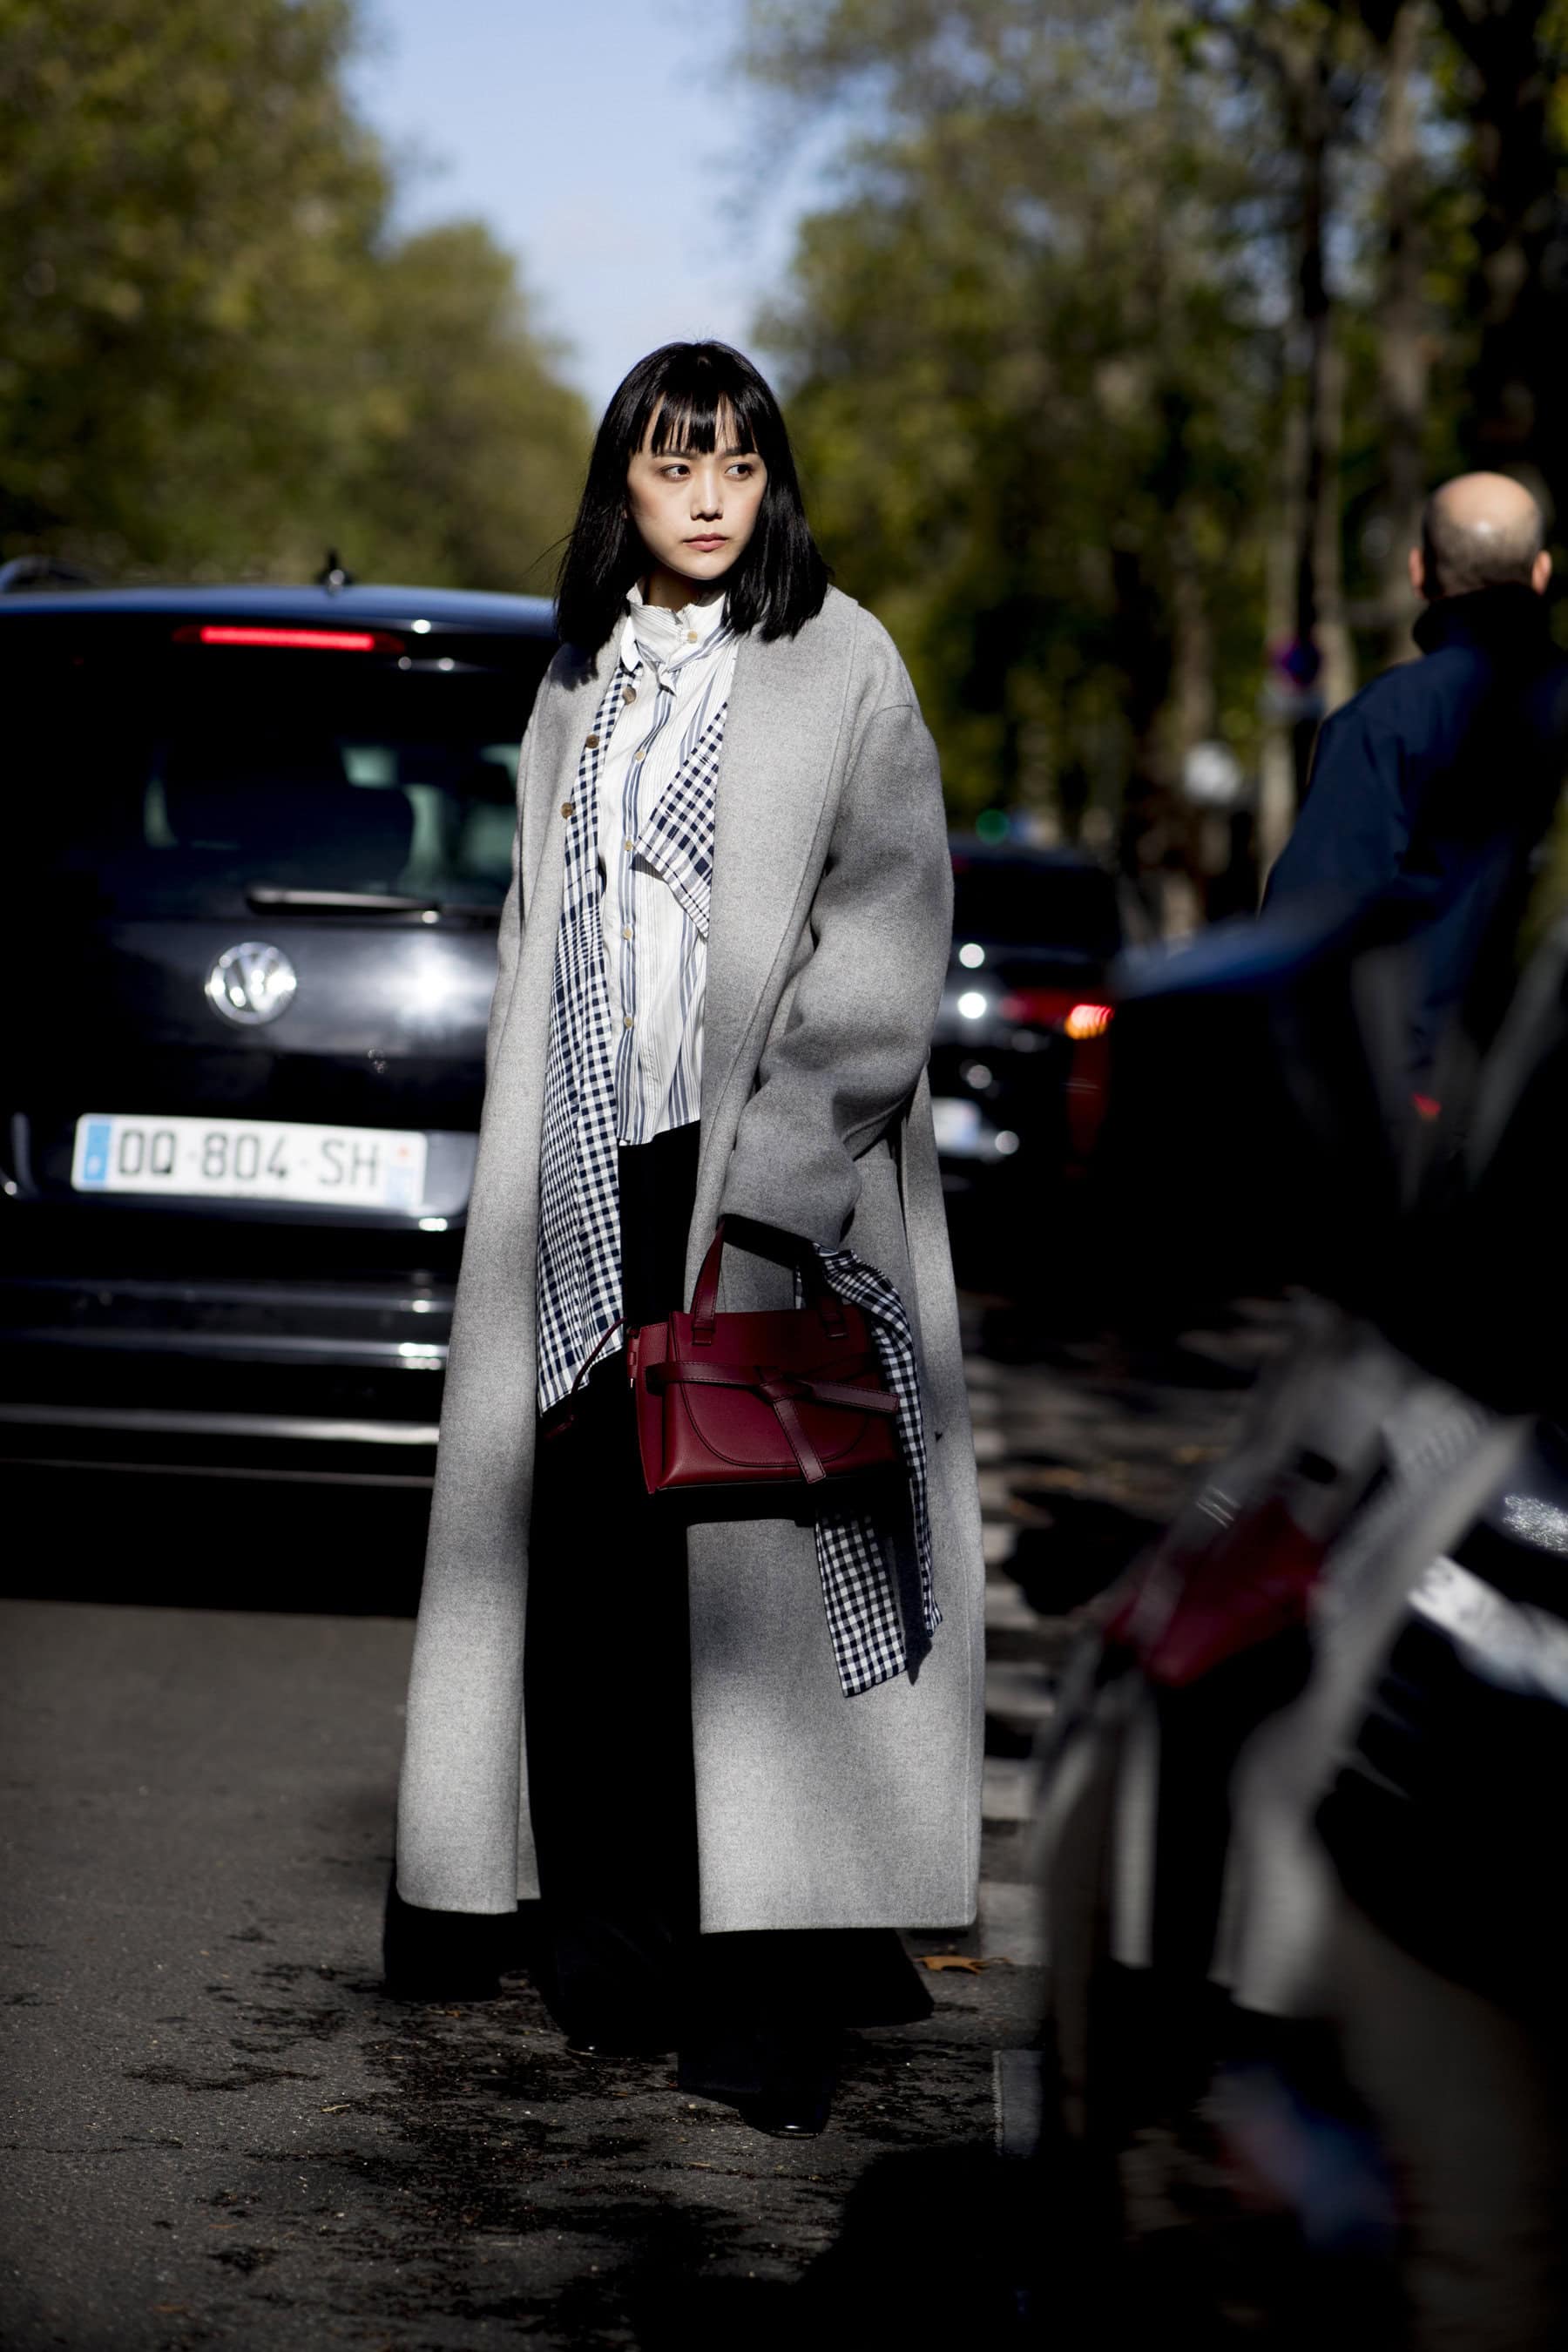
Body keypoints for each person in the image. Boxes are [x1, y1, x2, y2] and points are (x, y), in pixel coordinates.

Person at [388, 341, 984, 2137]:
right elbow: (540, 935)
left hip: (761, 1185)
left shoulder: (839, 659)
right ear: (623, 487)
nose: (711, 498)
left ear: (771, 481)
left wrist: (787, 1177)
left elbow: (885, 934)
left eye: (738, 465)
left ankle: (770, 1983)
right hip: (590, 1180)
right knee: (600, 1579)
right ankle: (620, 1946)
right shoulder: (580, 672)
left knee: (758, 1589)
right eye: (674, 465)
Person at [1264, 471, 1568, 1078]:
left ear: (1419, 572)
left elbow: (1307, 928)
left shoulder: (1382, 723)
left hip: (1436, 1089)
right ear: (1540, 573)